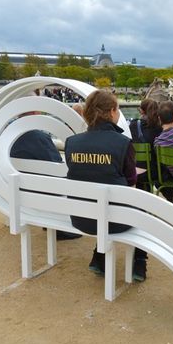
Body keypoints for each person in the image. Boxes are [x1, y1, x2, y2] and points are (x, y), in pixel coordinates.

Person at [65, 90, 147, 282]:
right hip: (115, 221)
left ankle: (99, 257)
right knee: (141, 206)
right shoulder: (123, 143)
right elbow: (130, 185)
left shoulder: (71, 142)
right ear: (112, 112)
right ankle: (140, 263)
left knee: (101, 199)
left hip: (81, 217)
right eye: (117, 108)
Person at [9, 129, 83, 241]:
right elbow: (57, 168)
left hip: (19, 190)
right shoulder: (38, 136)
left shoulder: (9, 135)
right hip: (44, 194)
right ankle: (59, 226)